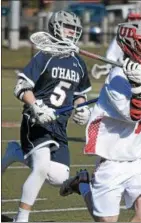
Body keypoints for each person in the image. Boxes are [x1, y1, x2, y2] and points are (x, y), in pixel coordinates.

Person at [60, 20, 141, 222]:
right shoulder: (117, 78)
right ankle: (84, 184)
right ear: (130, 44)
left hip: (140, 156)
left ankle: (85, 184)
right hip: (112, 157)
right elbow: (134, 115)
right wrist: (137, 86)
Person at [1, 11, 92, 222]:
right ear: (56, 28)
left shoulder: (78, 62)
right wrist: (37, 107)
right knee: (41, 167)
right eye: (68, 27)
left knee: (59, 177)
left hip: (59, 125)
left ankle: (15, 152)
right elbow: (21, 87)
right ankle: (21, 218)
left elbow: (80, 95)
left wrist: (82, 109)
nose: (72, 32)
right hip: (36, 120)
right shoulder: (44, 56)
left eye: (74, 29)